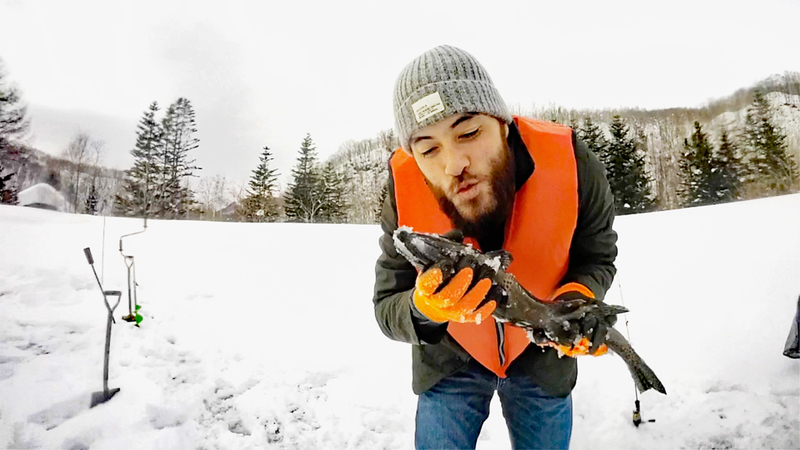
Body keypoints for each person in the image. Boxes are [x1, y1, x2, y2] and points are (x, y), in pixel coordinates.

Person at [373, 45, 619, 450]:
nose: (454, 164)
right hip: (449, 359)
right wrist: (424, 308)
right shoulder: (401, 191)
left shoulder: (571, 161)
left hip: (543, 359)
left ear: (502, 123)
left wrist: (576, 300)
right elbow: (387, 306)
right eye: (428, 148)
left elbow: (597, 256)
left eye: (468, 133)